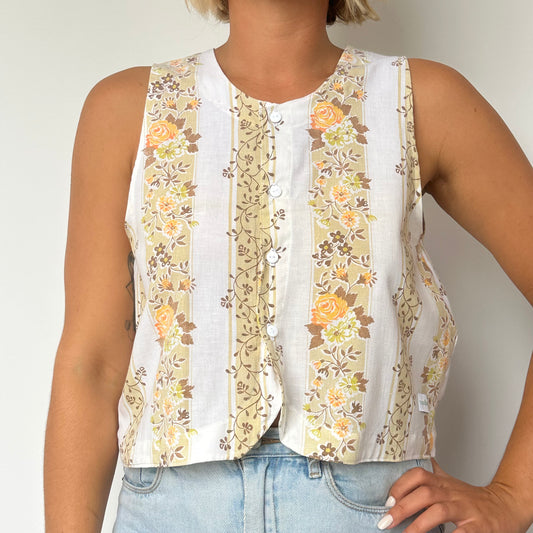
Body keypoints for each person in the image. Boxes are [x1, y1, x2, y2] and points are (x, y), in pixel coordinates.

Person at [43, 0, 533, 532]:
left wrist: (512, 497)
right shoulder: (128, 109)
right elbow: (91, 364)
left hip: (370, 511)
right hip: (169, 512)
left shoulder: (420, 99)